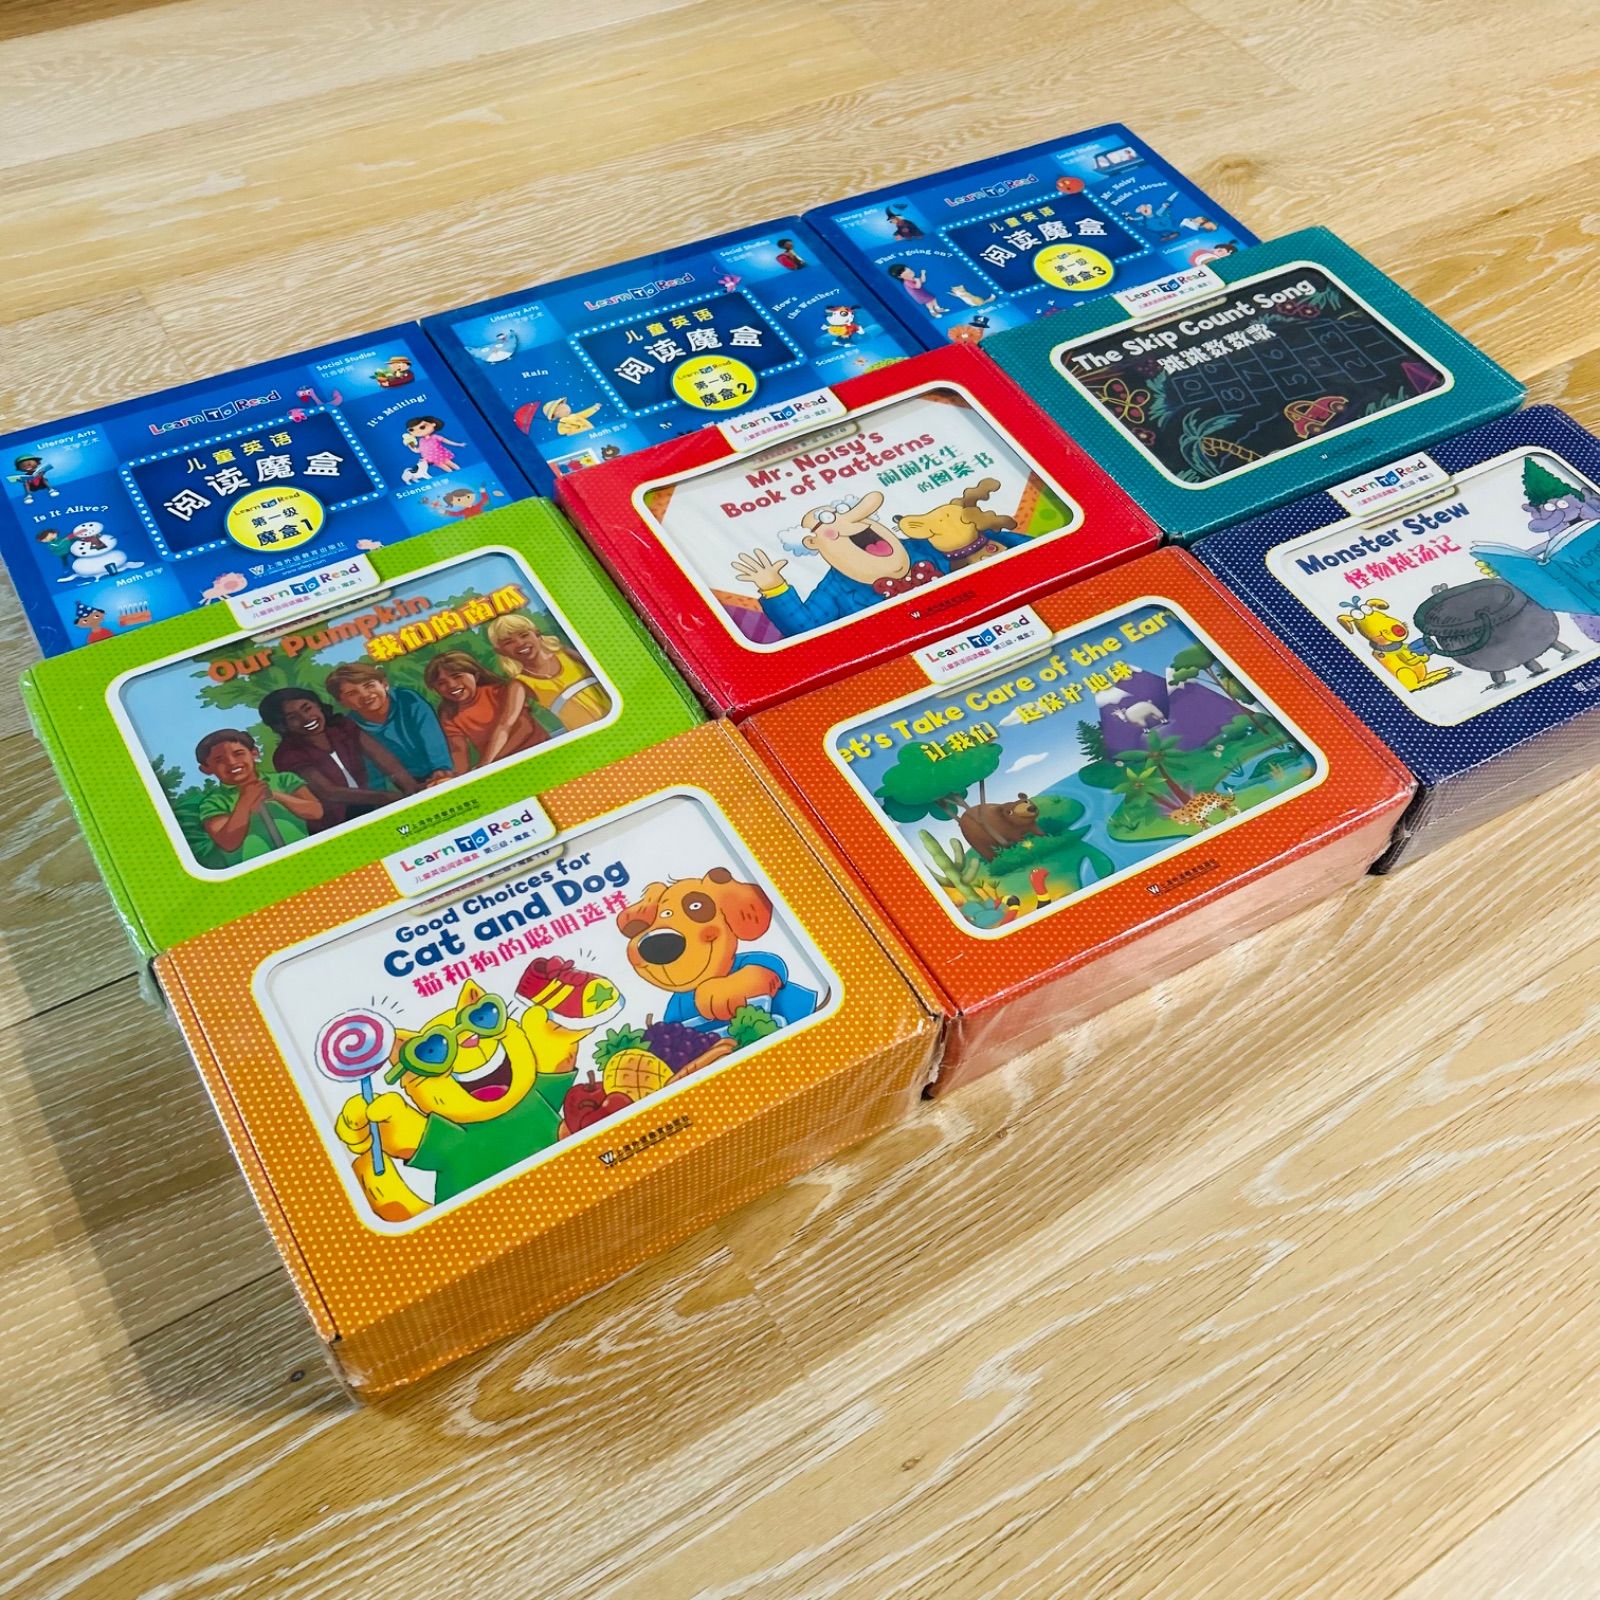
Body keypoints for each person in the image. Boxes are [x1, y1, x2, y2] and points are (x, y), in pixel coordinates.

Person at [257, 687, 418, 832]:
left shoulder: (342, 727)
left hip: (374, 806)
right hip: (336, 825)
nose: (306, 718)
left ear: (318, 705)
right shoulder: (287, 754)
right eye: (293, 717)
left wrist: (411, 789)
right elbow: (328, 792)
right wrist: (386, 798)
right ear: (281, 725)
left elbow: (383, 758)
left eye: (307, 708)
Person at [194, 729, 323, 862]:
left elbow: (316, 812)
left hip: (307, 856)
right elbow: (228, 843)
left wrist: (276, 795)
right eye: (219, 760)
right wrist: (245, 801)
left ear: (254, 753)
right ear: (206, 769)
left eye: (238, 754)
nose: (232, 762)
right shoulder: (213, 802)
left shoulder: (284, 780)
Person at [325, 661, 452, 786]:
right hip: (406, 784)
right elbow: (370, 772)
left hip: (441, 769)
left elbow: (431, 737)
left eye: (369, 685)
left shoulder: (408, 699)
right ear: (342, 702)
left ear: (384, 684)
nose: (365, 695)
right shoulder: (350, 728)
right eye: (352, 693)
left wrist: (440, 768)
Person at [423, 651, 546, 774]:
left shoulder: (504, 691)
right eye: (441, 683)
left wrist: (488, 762)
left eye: (457, 676)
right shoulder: (449, 713)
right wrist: (458, 777)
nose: (451, 685)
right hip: (498, 768)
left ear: (475, 676)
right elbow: (458, 750)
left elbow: (524, 728)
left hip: (538, 753)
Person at [486, 613, 611, 730]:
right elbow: (506, 724)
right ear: (500, 651)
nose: (520, 643)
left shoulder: (566, 655)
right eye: (509, 642)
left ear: (537, 634)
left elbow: (605, 671)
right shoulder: (520, 683)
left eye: (524, 635)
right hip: (589, 731)